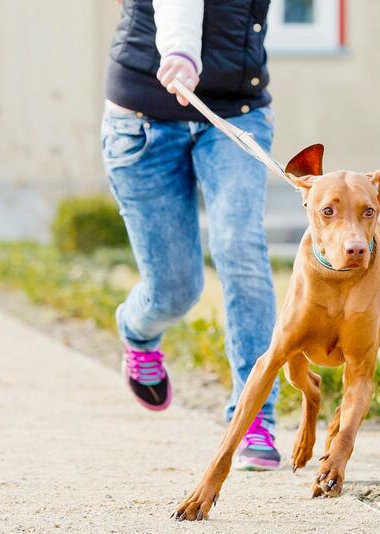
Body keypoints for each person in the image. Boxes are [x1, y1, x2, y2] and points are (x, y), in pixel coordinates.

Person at [101, 0, 281, 471]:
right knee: (175, 292)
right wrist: (180, 50)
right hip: (143, 115)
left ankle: (253, 413)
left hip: (234, 115)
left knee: (239, 245)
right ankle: (137, 332)